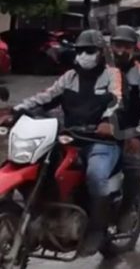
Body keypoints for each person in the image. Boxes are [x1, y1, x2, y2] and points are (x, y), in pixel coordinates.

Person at [7, 30, 123, 256]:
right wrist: (16, 110)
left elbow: (118, 98)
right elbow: (46, 96)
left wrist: (108, 120)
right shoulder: (69, 77)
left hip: (100, 141)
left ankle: (97, 230)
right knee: (41, 168)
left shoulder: (112, 75)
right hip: (69, 138)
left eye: (89, 51)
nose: (84, 55)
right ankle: (42, 216)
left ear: (100, 53)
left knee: (96, 175)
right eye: (80, 51)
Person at [110, 25, 140, 233]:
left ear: (134, 48)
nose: (120, 50)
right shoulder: (104, 71)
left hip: (132, 132)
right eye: (117, 45)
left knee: (131, 167)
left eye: (125, 46)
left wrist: (139, 134)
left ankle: (126, 211)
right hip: (102, 131)